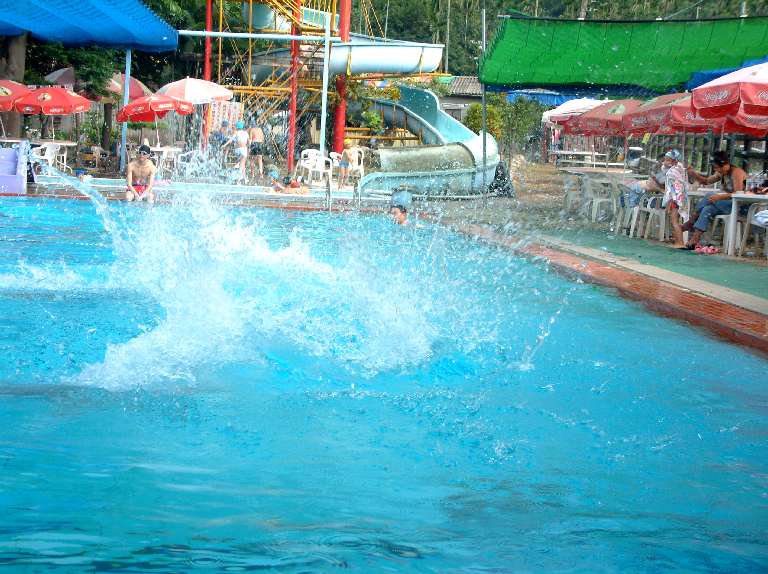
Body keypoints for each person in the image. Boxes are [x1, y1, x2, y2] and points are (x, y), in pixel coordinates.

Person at [684, 151, 747, 248]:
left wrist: (719, 197)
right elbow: (706, 181)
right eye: (715, 167)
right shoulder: (721, 173)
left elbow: (738, 193)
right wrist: (693, 173)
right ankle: (695, 239)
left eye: (717, 167)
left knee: (709, 194)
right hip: (727, 205)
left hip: (739, 206)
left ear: (726, 164)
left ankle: (691, 221)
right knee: (707, 209)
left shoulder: (737, 172)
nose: (716, 170)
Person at [660, 149, 689, 248]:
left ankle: (680, 243)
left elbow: (674, 189)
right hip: (680, 198)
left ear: (674, 161)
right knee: (676, 221)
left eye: (667, 160)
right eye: (664, 159)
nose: (665, 162)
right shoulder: (679, 169)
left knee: (674, 221)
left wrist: (672, 201)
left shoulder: (672, 173)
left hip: (675, 199)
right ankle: (677, 240)